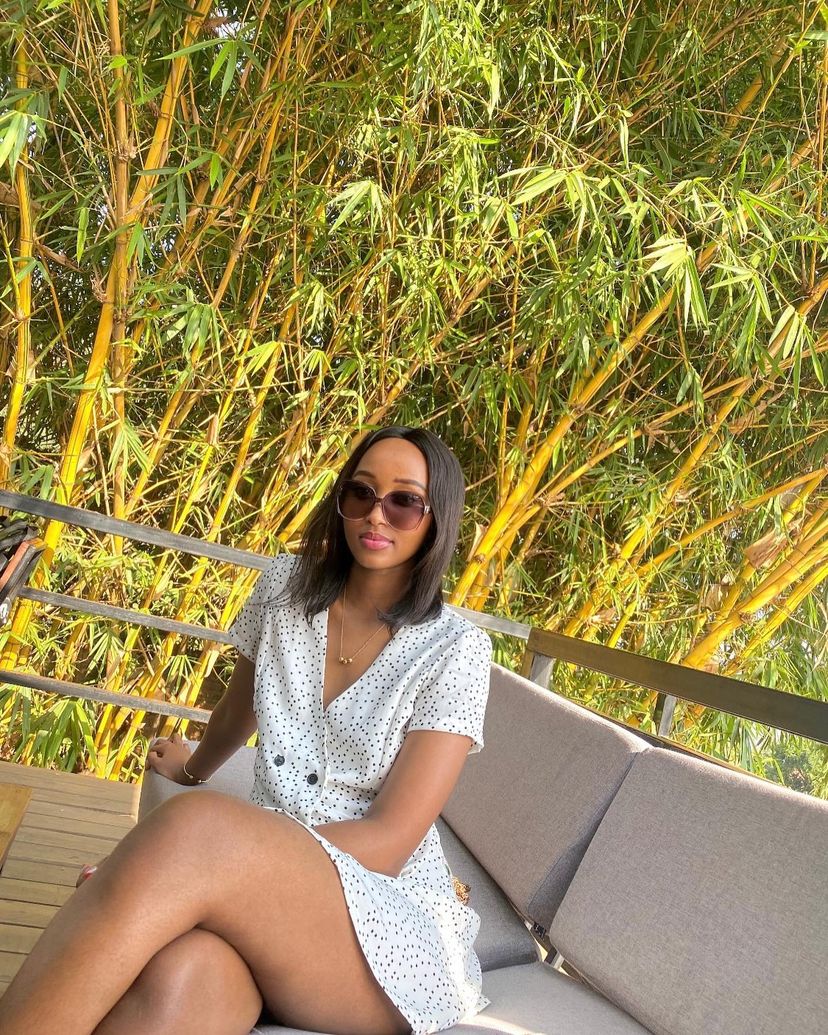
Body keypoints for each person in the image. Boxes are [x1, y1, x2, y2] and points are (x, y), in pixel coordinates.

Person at [0, 425, 494, 1035]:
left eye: (404, 501)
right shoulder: (285, 586)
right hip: (268, 905)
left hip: (383, 925)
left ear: (437, 517)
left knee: (194, 829)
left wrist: (210, 867)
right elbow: (240, 708)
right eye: (362, 493)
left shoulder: (456, 649)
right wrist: (191, 771)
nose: (376, 514)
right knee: (183, 976)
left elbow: (388, 841)